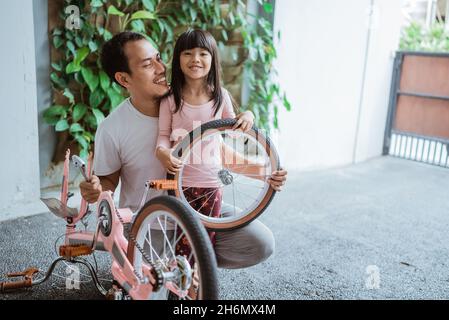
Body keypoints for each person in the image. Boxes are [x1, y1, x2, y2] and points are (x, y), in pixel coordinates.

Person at [80, 31, 288, 269]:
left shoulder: (192, 104)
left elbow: (219, 156)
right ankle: (173, 263)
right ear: (124, 79)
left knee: (259, 242)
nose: (161, 68)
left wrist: (268, 173)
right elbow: (107, 181)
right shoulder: (112, 127)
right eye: (148, 64)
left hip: (200, 204)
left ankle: (197, 262)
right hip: (151, 221)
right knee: (151, 284)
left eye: (159, 58)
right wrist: (95, 189)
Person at [155, 29, 253, 258]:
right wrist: (161, 151)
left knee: (205, 242)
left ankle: (198, 286)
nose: (195, 59)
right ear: (178, 59)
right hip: (179, 183)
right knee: (182, 239)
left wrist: (248, 115)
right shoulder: (170, 98)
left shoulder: (221, 96)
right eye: (187, 53)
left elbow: (236, 131)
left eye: (203, 53)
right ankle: (180, 288)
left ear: (213, 58)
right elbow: (162, 134)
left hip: (212, 184)